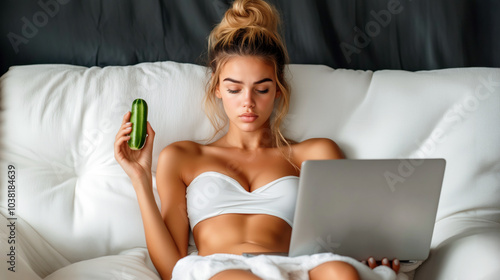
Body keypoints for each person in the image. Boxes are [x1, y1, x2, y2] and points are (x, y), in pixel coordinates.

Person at [114, 0, 400, 279]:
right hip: (218, 269)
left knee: (341, 272)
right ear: (217, 88)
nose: (248, 103)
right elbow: (170, 267)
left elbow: (345, 238)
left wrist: (373, 252)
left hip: (293, 266)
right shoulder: (183, 157)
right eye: (234, 89)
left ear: (277, 90)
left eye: (261, 89)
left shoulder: (314, 153)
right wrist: (139, 177)